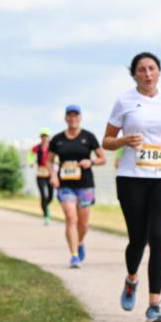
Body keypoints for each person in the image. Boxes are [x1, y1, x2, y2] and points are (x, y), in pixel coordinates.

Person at [103, 52, 161, 322]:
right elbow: (106, 140)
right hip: (132, 176)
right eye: (141, 69)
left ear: (159, 71)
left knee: (158, 236)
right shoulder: (124, 101)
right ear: (134, 74)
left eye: (152, 68)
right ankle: (132, 279)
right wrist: (123, 142)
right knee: (138, 239)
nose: (147, 73)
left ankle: (155, 305)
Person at [49, 105, 105, 268]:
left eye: (76, 115)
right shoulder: (57, 139)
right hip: (65, 185)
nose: (73, 118)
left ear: (80, 117)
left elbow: (103, 158)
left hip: (86, 185)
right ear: (66, 118)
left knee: (83, 223)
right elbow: (49, 160)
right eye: (70, 115)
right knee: (71, 218)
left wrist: (91, 161)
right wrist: (53, 175)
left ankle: (80, 242)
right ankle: (74, 255)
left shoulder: (88, 137)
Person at [29, 128, 54, 224]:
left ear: (49, 137)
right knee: (43, 195)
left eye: (46, 136)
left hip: (50, 173)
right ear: (41, 138)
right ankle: (46, 215)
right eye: (43, 136)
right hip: (40, 174)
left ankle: (45, 206)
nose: (44, 138)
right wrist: (31, 162)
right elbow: (30, 155)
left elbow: (58, 156)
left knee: (50, 196)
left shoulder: (52, 148)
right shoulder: (37, 148)